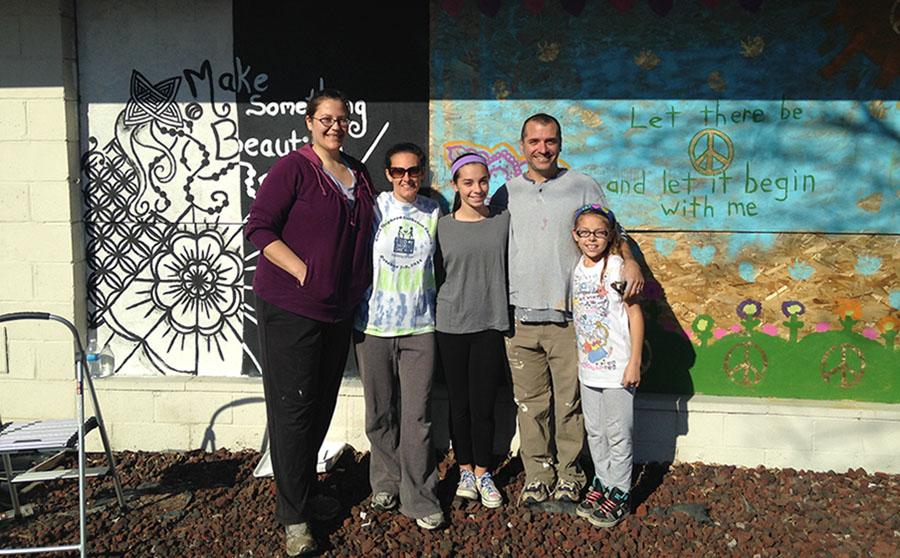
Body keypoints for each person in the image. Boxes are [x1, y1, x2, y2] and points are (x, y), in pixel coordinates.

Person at [244, 89, 375, 556]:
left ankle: (306, 490)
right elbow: (259, 228)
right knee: (293, 410)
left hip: (337, 309)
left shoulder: (357, 173)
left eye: (341, 118)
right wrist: (302, 270)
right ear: (309, 121)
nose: (335, 125)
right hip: (291, 307)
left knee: (320, 405)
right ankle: (294, 518)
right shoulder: (293, 168)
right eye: (326, 118)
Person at [491, 113, 644, 505]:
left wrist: (630, 261)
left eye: (551, 141)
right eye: (534, 142)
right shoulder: (505, 193)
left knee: (570, 405)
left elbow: (615, 232)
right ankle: (538, 474)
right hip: (519, 320)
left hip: (568, 322)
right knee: (530, 404)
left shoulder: (582, 186)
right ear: (521, 145)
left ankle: (571, 474)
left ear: (560, 143)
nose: (543, 149)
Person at [354, 142, 444, 530]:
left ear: (422, 173)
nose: (406, 178)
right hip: (372, 326)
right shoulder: (373, 208)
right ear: (388, 174)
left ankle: (419, 496)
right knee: (379, 412)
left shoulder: (435, 210)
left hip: (420, 327)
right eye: (398, 172)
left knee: (418, 416)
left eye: (413, 171)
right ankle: (386, 482)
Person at [435, 153, 509, 509]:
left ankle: (483, 471)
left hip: (490, 324)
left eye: (482, 181)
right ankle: (464, 468)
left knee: (484, 404)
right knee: (459, 404)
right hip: (450, 325)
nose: (477, 189)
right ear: (455, 185)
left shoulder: (503, 222)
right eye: (468, 182)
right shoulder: (442, 227)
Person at [569, 204, 643, 528]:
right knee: (595, 431)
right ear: (575, 235)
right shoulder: (577, 269)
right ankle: (602, 481)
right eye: (585, 233)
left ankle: (620, 490)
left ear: (609, 235)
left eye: (599, 233)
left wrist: (634, 362)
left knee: (618, 433)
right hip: (589, 369)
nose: (592, 239)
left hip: (618, 370)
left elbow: (635, 315)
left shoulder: (616, 267)